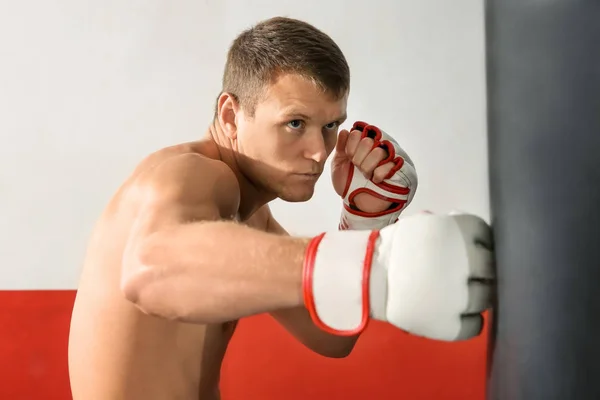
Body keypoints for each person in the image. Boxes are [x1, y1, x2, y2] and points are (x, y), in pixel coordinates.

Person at [68, 16, 495, 400]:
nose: (318, 152)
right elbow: (150, 269)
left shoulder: (249, 214)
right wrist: (378, 264)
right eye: (295, 123)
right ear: (231, 116)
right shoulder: (188, 175)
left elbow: (330, 337)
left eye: (331, 126)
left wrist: (366, 223)